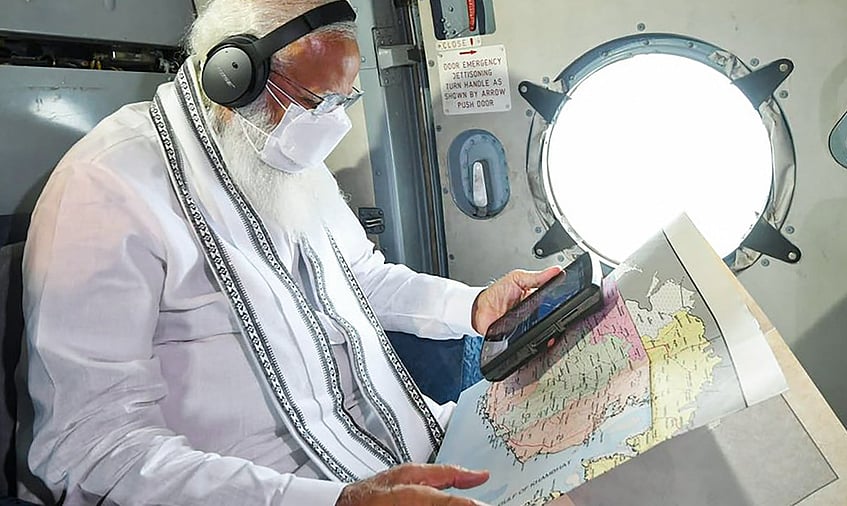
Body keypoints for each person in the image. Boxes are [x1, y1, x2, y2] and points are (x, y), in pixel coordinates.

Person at [18, 0, 560, 504]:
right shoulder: (107, 186)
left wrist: (471, 306)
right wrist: (339, 501)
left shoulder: (279, 149)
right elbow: (88, 446)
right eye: (313, 102)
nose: (331, 125)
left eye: (343, 102)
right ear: (232, 77)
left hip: (401, 452)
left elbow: (360, 279)